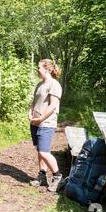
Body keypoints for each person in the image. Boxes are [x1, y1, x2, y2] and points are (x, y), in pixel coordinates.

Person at [28, 59, 63, 192]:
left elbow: (53, 105)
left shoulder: (54, 84)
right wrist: (30, 113)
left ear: (47, 69)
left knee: (44, 151)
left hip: (46, 123)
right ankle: (42, 176)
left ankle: (58, 177)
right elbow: (34, 102)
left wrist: (41, 118)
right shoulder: (39, 84)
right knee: (39, 151)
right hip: (35, 122)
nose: (37, 69)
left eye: (39, 67)